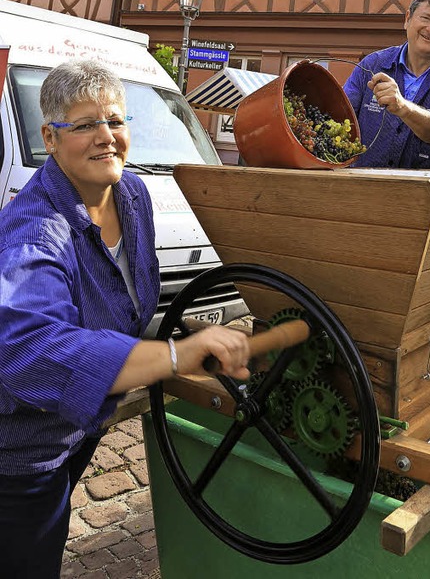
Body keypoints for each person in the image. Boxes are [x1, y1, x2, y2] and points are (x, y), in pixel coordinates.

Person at [0, 59, 250, 579]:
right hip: (21, 451)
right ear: (50, 135)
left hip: (80, 422)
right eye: (85, 124)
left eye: (114, 121)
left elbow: (133, 298)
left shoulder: (132, 196)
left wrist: (186, 335)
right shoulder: (34, 229)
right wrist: (175, 356)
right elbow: (29, 352)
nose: (105, 137)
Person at [343, 0, 430, 169]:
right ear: (407, 19)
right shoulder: (373, 64)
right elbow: (342, 115)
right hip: (363, 186)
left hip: (425, 191)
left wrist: (402, 107)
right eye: (425, 18)